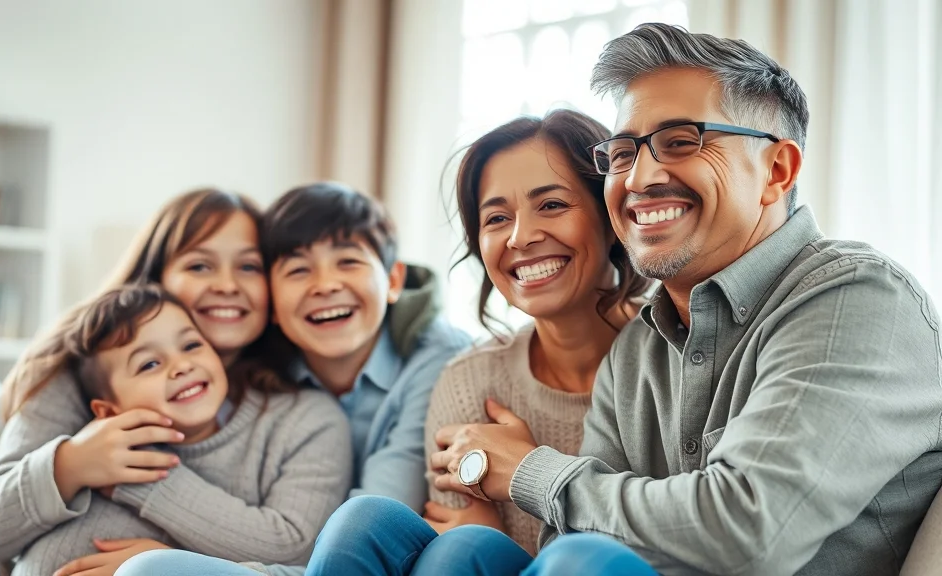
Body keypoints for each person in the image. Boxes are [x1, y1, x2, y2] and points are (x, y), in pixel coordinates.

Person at [405, 22, 942, 576]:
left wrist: (528, 471)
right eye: (621, 154)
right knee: (385, 529)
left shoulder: (857, 301)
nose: (640, 177)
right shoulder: (639, 347)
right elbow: (571, 535)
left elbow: (746, 532)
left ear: (775, 171)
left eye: (680, 142)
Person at [0, 187, 351, 576]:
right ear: (157, 278)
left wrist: (163, 560)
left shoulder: (299, 412)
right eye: (200, 265)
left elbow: (296, 548)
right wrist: (71, 463)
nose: (226, 284)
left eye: (249, 267)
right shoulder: (78, 372)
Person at [302, 108, 653, 575]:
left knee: (509, 554)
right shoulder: (472, 380)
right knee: (367, 521)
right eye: (496, 218)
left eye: (551, 205)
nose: (521, 237)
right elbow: (457, 529)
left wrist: (528, 477)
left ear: (610, 216)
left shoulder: (675, 357)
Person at [115, 182, 472, 575]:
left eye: (348, 262)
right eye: (299, 269)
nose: (325, 285)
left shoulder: (436, 357)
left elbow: (372, 527)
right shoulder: (249, 369)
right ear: (269, 300)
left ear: (392, 281)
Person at [9, 284, 350, 576]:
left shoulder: (301, 421)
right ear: (109, 412)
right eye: (150, 364)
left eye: (191, 346)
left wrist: (168, 559)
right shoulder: (91, 457)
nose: (182, 366)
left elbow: (298, 551)